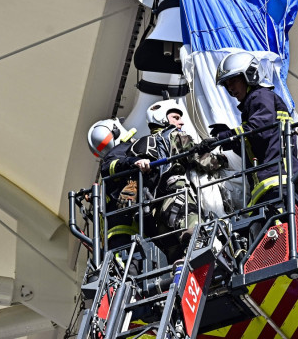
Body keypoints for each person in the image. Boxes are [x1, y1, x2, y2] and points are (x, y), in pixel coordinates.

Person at [130, 100, 226, 260]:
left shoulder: (138, 146)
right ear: (161, 117)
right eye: (175, 117)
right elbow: (204, 161)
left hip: (154, 214)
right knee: (196, 240)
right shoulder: (174, 135)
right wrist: (223, 158)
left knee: (176, 257)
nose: (180, 122)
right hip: (178, 200)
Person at [209, 51, 298, 210]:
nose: (230, 89)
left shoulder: (260, 95)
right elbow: (256, 145)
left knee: (280, 230)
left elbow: (260, 129)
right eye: (227, 85)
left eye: (233, 80)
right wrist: (227, 139)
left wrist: (223, 137)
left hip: (278, 185)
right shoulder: (254, 104)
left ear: (250, 75)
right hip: (269, 187)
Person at [87, 118, 150, 251]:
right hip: (126, 231)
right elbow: (110, 167)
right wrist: (134, 161)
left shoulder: (110, 169)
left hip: (119, 233)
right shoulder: (120, 152)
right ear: (115, 131)